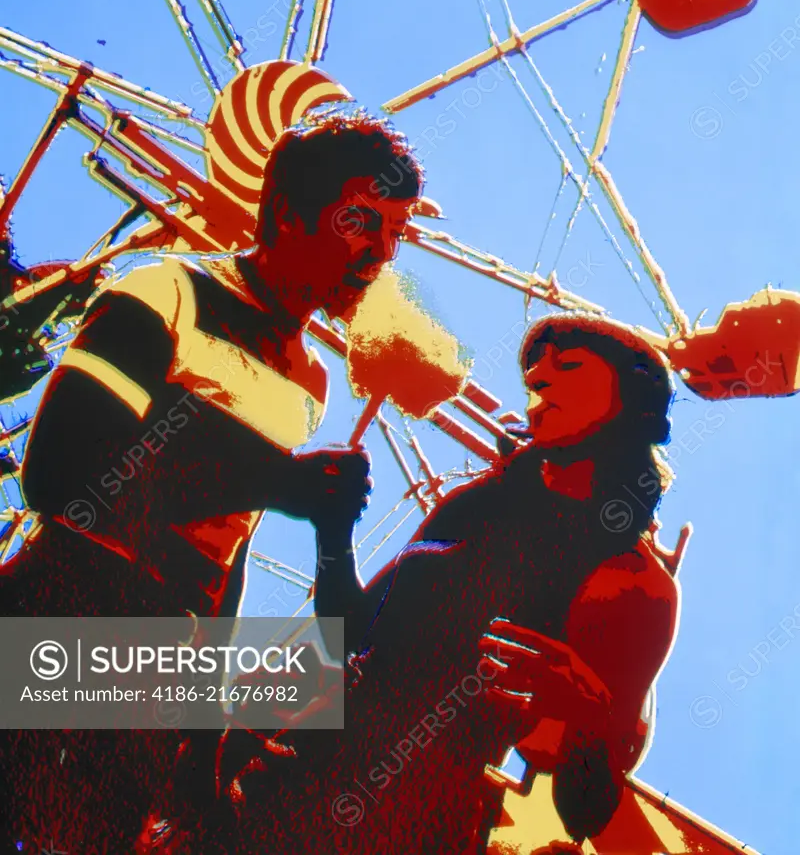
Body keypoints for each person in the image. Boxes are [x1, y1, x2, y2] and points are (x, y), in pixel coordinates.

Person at [0, 112, 424, 854]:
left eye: (394, 233)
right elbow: (61, 472)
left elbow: (224, 562)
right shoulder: (169, 290)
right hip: (62, 612)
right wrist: (278, 481)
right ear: (288, 211)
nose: (376, 253)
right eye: (360, 219)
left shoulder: (308, 381)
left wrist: (201, 738)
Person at [220, 313, 681, 853]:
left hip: (415, 817)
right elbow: (350, 635)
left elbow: (586, 810)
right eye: (535, 375)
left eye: (570, 367)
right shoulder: (476, 504)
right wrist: (333, 531)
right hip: (302, 765)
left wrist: (589, 714)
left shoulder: (632, 582)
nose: (540, 382)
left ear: (633, 408)